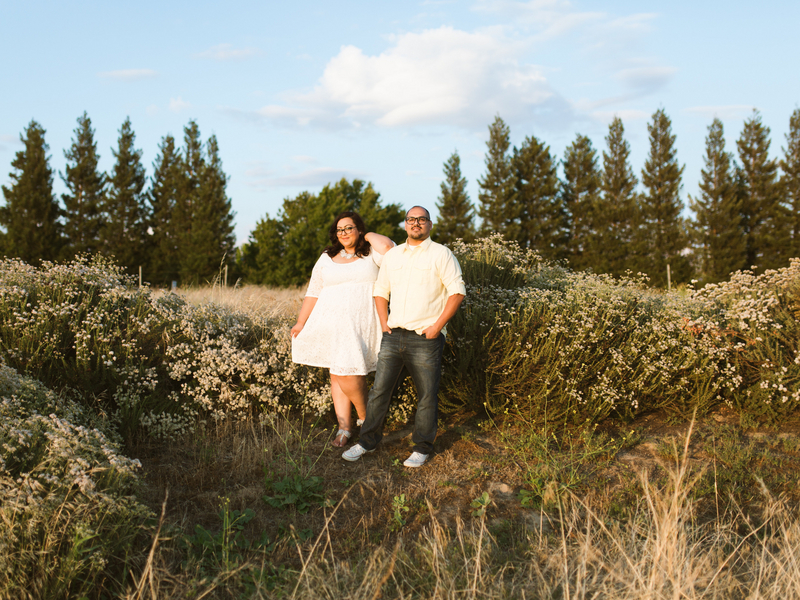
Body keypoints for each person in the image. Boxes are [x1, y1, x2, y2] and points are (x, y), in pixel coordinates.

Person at [342, 206, 466, 468]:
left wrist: (437, 327)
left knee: (426, 396)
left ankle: (422, 448)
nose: (416, 223)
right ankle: (367, 442)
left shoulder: (441, 254)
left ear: (429, 225)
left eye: (421, 220)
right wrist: (384, 322)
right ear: (405, 224)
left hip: (426, 338)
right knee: (379, 392)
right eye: (411, 220)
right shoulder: (394, 255)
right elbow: (381, 290)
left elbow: (457, 293)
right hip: (393, 336)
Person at [291, 211, 395, 447]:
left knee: (349, 372)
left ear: (359, 229)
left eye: (349, 228)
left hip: (361, 321)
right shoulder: (327, 257)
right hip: (332, 323)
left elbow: (388, 247)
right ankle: (345, 427)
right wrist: (301, 322)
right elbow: (313, 291)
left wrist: (367, 235)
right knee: (337, 374)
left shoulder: (371, 255)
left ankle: (366, 419)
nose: (344, 233)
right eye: (340, 229)